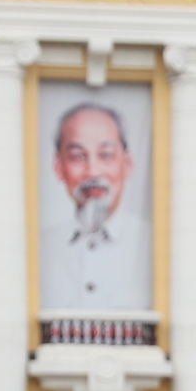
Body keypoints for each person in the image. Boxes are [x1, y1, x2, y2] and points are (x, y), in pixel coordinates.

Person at [44, 99, 151, 310]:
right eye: (77, 157)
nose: (92, 171)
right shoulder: (39, 248)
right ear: (58, 167)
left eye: (106, 155)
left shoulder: (150, 244)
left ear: (127, 164)